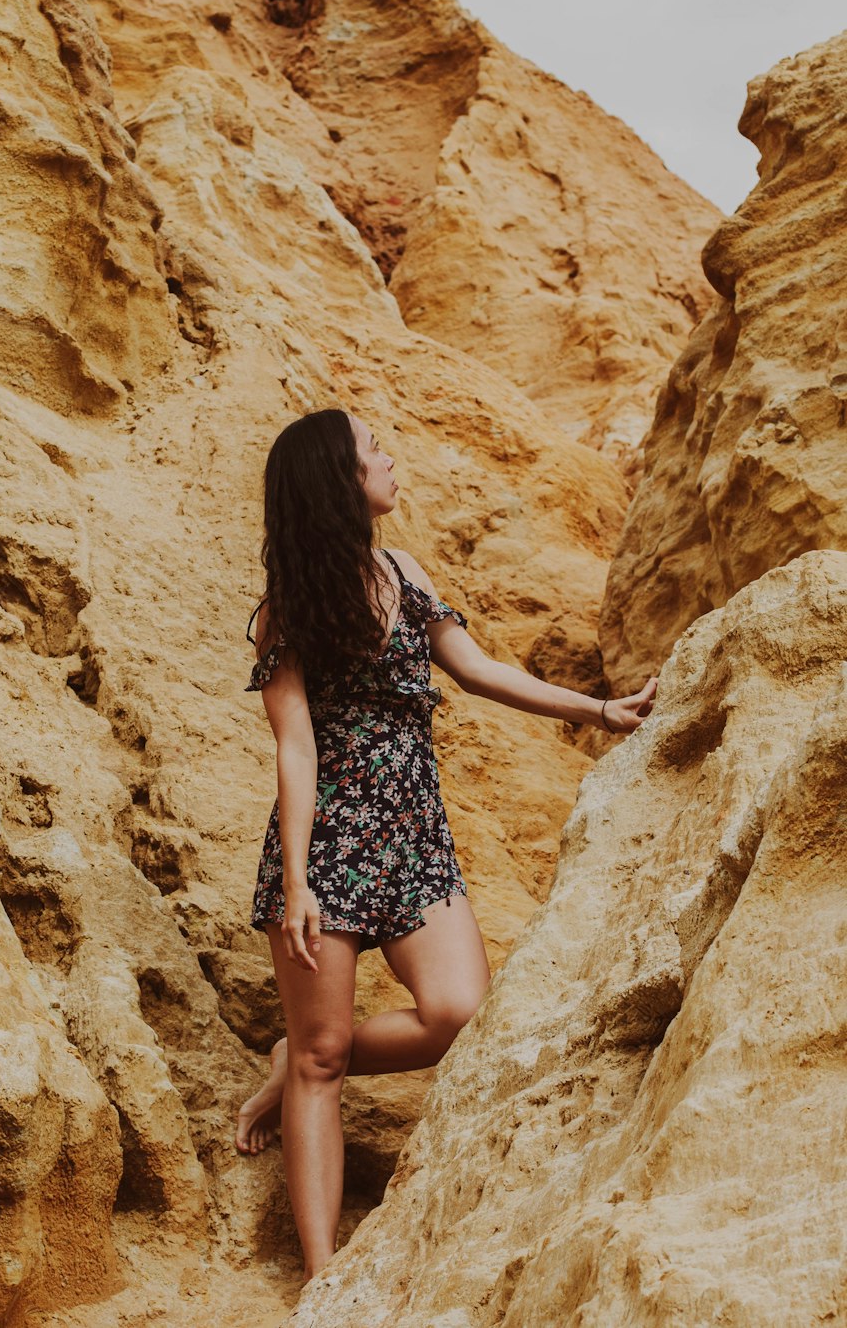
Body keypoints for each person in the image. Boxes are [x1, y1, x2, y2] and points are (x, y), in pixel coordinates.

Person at [235, 408, 656, 1280]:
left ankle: (295, 1054)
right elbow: (296, 746)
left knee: (459, 1014)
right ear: (338, 484)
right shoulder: (289, 610)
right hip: (328, 846)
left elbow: (478, 670)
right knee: (325, 1059)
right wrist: (301, 883)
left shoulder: (402, 572)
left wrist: (598, 710)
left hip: (414, 835)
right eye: (373, 452)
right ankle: (322, 1275)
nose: (391, 462)